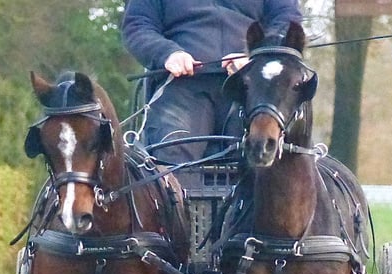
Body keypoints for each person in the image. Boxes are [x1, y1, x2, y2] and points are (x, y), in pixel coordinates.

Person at [122, 0, 303, 167]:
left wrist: (254, 55)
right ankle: (176, 199)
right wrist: (167, 53)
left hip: (250, 86)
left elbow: (286, 19)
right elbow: (138, 25)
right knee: (173, 152)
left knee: (265, 156)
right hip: (182, 84)